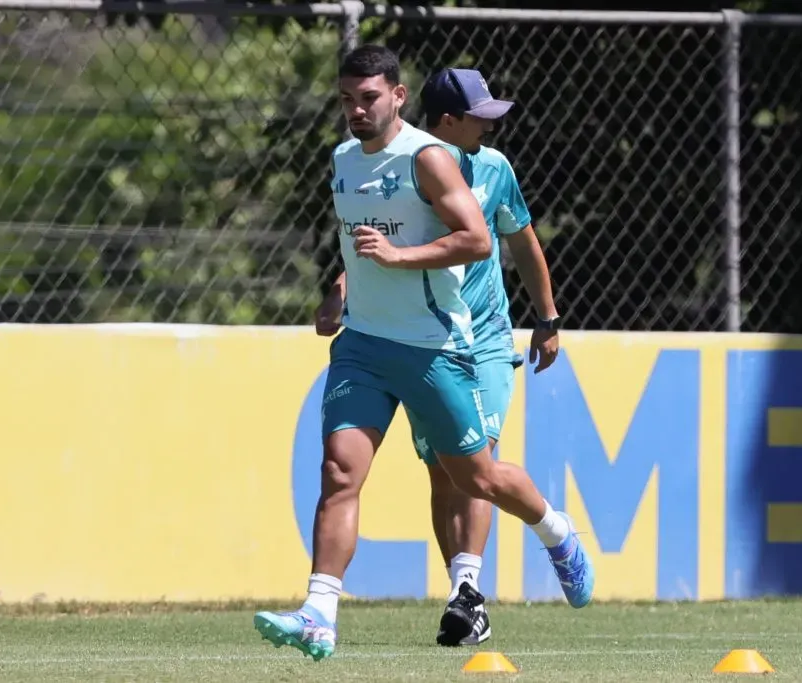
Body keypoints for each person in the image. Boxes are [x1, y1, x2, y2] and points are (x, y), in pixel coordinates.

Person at [253, 46, 595, 663]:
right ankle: (318, 614)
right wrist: (339, 292)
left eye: (368, 98)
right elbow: (361, 242)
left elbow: (477, 240)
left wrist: (399, 258)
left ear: (399, 96)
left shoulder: (428, 158)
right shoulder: (343, 159)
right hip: (363, 344)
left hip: (433, 346)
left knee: (475, 476)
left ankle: (555, 529)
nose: (357, 110)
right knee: (339, 472)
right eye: (347, 100)